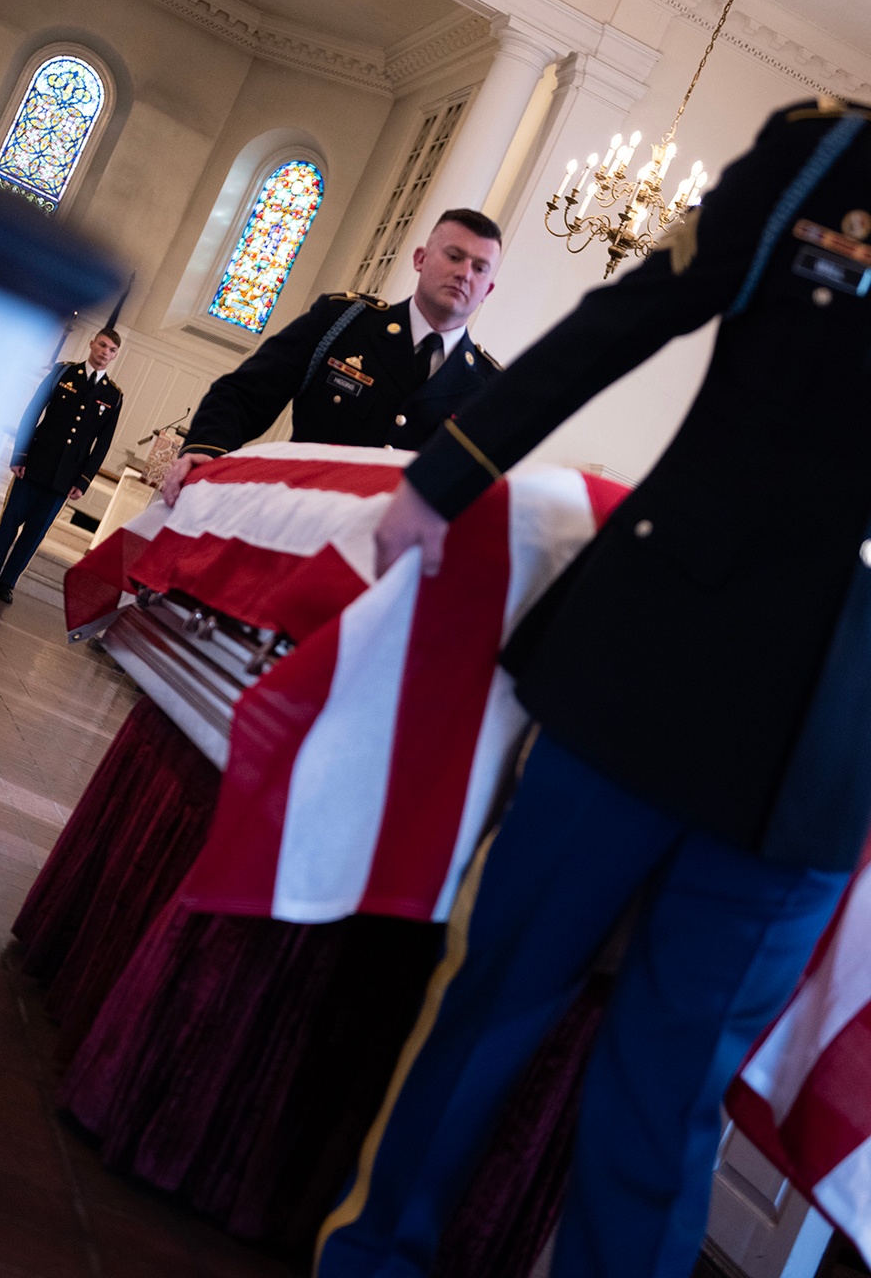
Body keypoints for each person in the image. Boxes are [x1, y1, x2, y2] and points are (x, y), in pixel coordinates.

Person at [315, 98, 871, 1278]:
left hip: (830, 742)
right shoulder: (828, 157)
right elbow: (634, 310)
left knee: (670, 1099)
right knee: (495, 1001)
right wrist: (450, 470)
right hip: (651, 665)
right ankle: (375, 1260)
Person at [160, 208, 502, 506]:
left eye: (480, 268)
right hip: (292, 519)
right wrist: (208, 449)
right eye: (454, 256)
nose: (465, 273)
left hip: (386, 562)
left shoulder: (491, 388)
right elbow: (244, 395)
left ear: (488, 290)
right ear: (420, 258)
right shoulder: (342, 322)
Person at [0, 329, 123, 603]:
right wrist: (20, 454)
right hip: (34, 465)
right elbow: (33, 411)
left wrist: (83, 480)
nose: (105, 352)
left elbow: (102, 444)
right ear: (91, 343)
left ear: (115, 356)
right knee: (9, 523)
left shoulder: (113, 395)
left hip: (64, 478)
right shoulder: (63, 373)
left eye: (112, 350)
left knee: (34, 533)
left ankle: (7, 582)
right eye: (102, 345)